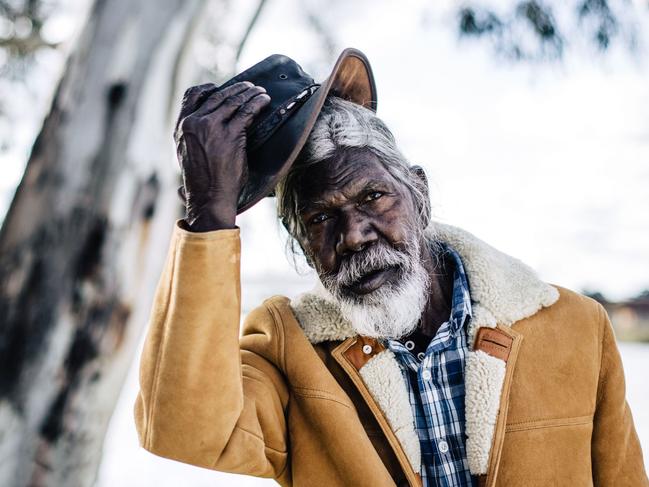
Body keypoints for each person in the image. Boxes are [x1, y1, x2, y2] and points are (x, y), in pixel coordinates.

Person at [133, 48, 648, 486]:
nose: (354, 234)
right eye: (319, 217)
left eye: (374, 196)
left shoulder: (576, 328)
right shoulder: (288, 351)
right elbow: (181, 429)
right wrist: (208, 214)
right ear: (302, 243)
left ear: (418, 193)